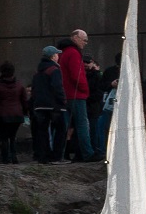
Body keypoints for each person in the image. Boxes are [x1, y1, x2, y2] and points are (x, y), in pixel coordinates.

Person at [59, 30, 98, 162]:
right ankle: (87, 153)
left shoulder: (64, 52)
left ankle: (63, 153)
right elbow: (77, 75)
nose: (85, 43)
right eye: (84, 40)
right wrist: (84, 89)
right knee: (82, 124)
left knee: (67, 125)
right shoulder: (73, 53)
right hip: (76, 95)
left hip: (67, 94)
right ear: (75, 38)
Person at [30, 45, 66, 163]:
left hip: (39, 105)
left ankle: (43, 156)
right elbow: (57, 87)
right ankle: (57, 156)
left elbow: (34, 88)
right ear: (52, 56)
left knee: (42, 131)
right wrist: (62, 100)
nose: (58, 56)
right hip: (53, 105)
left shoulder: (38, 70)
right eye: (56, 54)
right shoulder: (54, 70)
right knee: (61, 129)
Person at [0, 62, 27, 164]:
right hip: (17, 115)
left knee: (4, 137)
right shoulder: (19, 84)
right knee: (13, 136)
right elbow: (24, 100)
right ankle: (14, 157)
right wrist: (25, 112)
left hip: (4, 114)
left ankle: (6, 158)